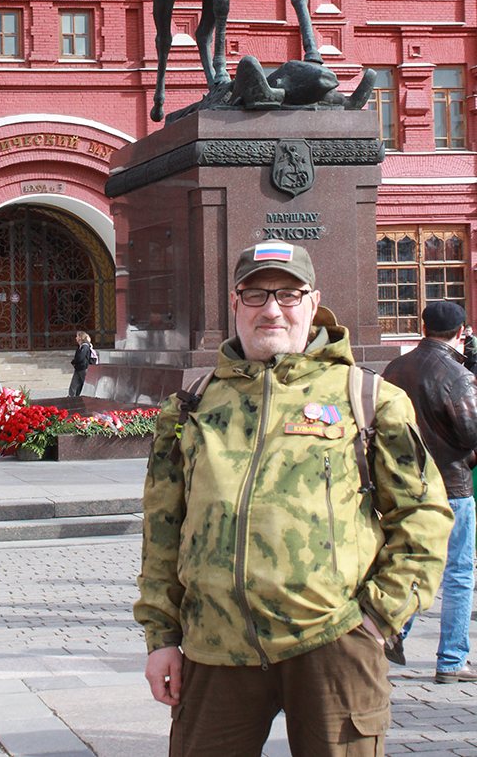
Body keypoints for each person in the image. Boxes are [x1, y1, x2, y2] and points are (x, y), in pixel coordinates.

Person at [136, 242, 453, 757]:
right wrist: (161, 637)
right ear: (234, 302)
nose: (272, 309)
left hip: (332, 644)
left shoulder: (367, 398)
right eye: (256, 294)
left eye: (288, 294)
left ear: (313, 302)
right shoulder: (192, 406)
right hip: (215, 650)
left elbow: (423, 515)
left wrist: (376, 619)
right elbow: (162, 528)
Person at [382, 300, 477, 682]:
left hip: (406, 485)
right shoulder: (456, 374)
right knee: (457, 573)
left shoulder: (394, 368)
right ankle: (452, 660)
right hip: (452, 485)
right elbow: (470, 431)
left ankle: (393, 633)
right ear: (461, 331)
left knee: (409, 564)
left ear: (423, 328)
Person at [68, 331, 92, 398]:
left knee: (85, 384)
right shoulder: (80, 346)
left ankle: (88, 397)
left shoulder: (85, 346)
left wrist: (74, 361)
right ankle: (71, 398)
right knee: (74, 385)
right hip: (79, 368)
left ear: (81, 337)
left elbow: (81, 357)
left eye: (77, 336)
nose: (76, 338)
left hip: (83, 368)